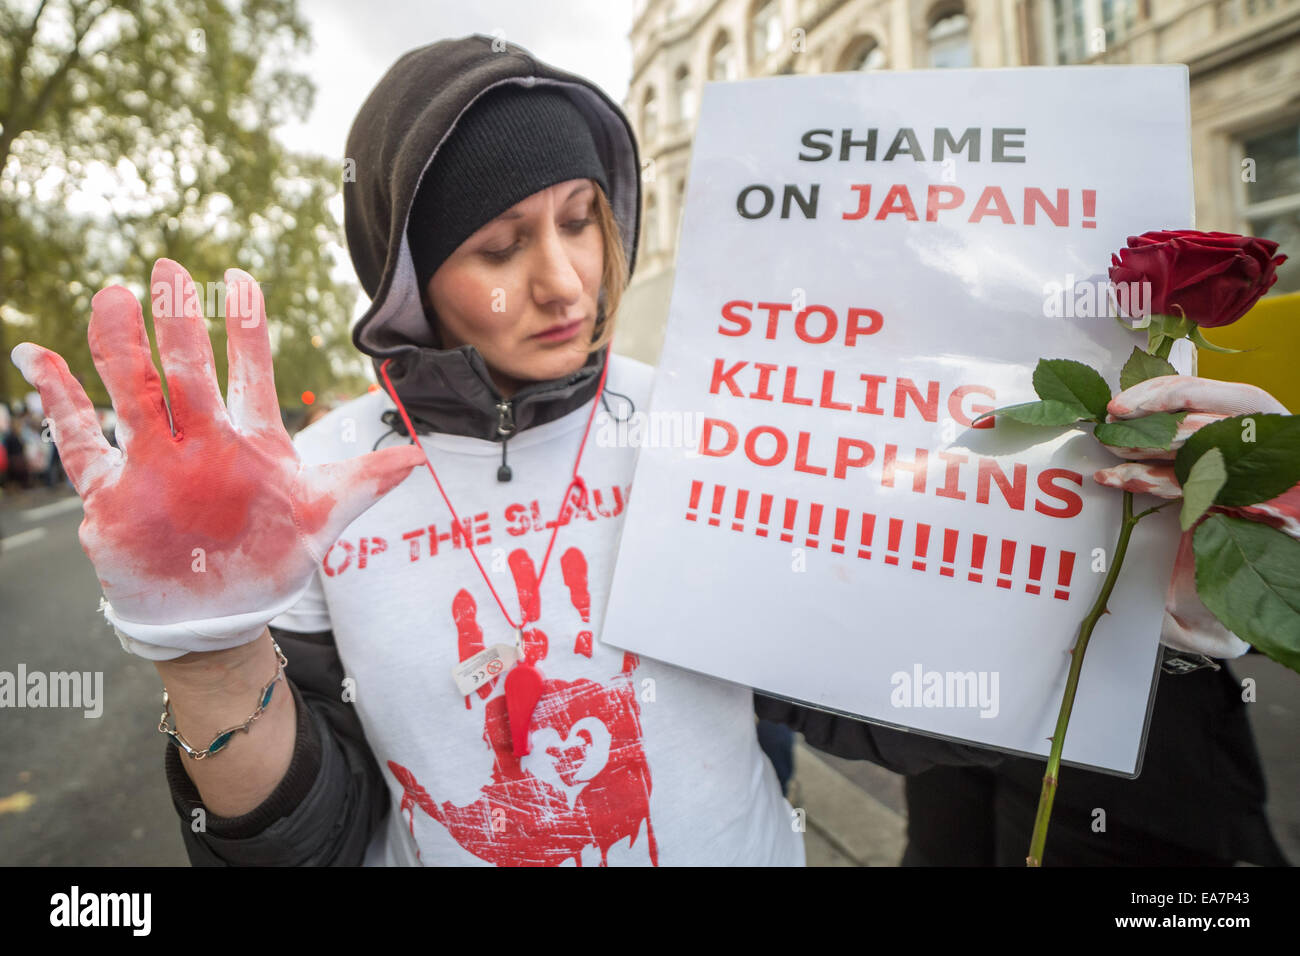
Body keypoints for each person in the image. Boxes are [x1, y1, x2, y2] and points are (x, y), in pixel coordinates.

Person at [9, 35, 1292, 866]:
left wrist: (1148, 599)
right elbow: (312, 840)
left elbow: (887, 701)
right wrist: (216, 658)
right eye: (499, 245)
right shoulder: (314, 491)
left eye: (585, 218)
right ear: (404, 274)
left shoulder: (710, 421)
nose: (567, 279)